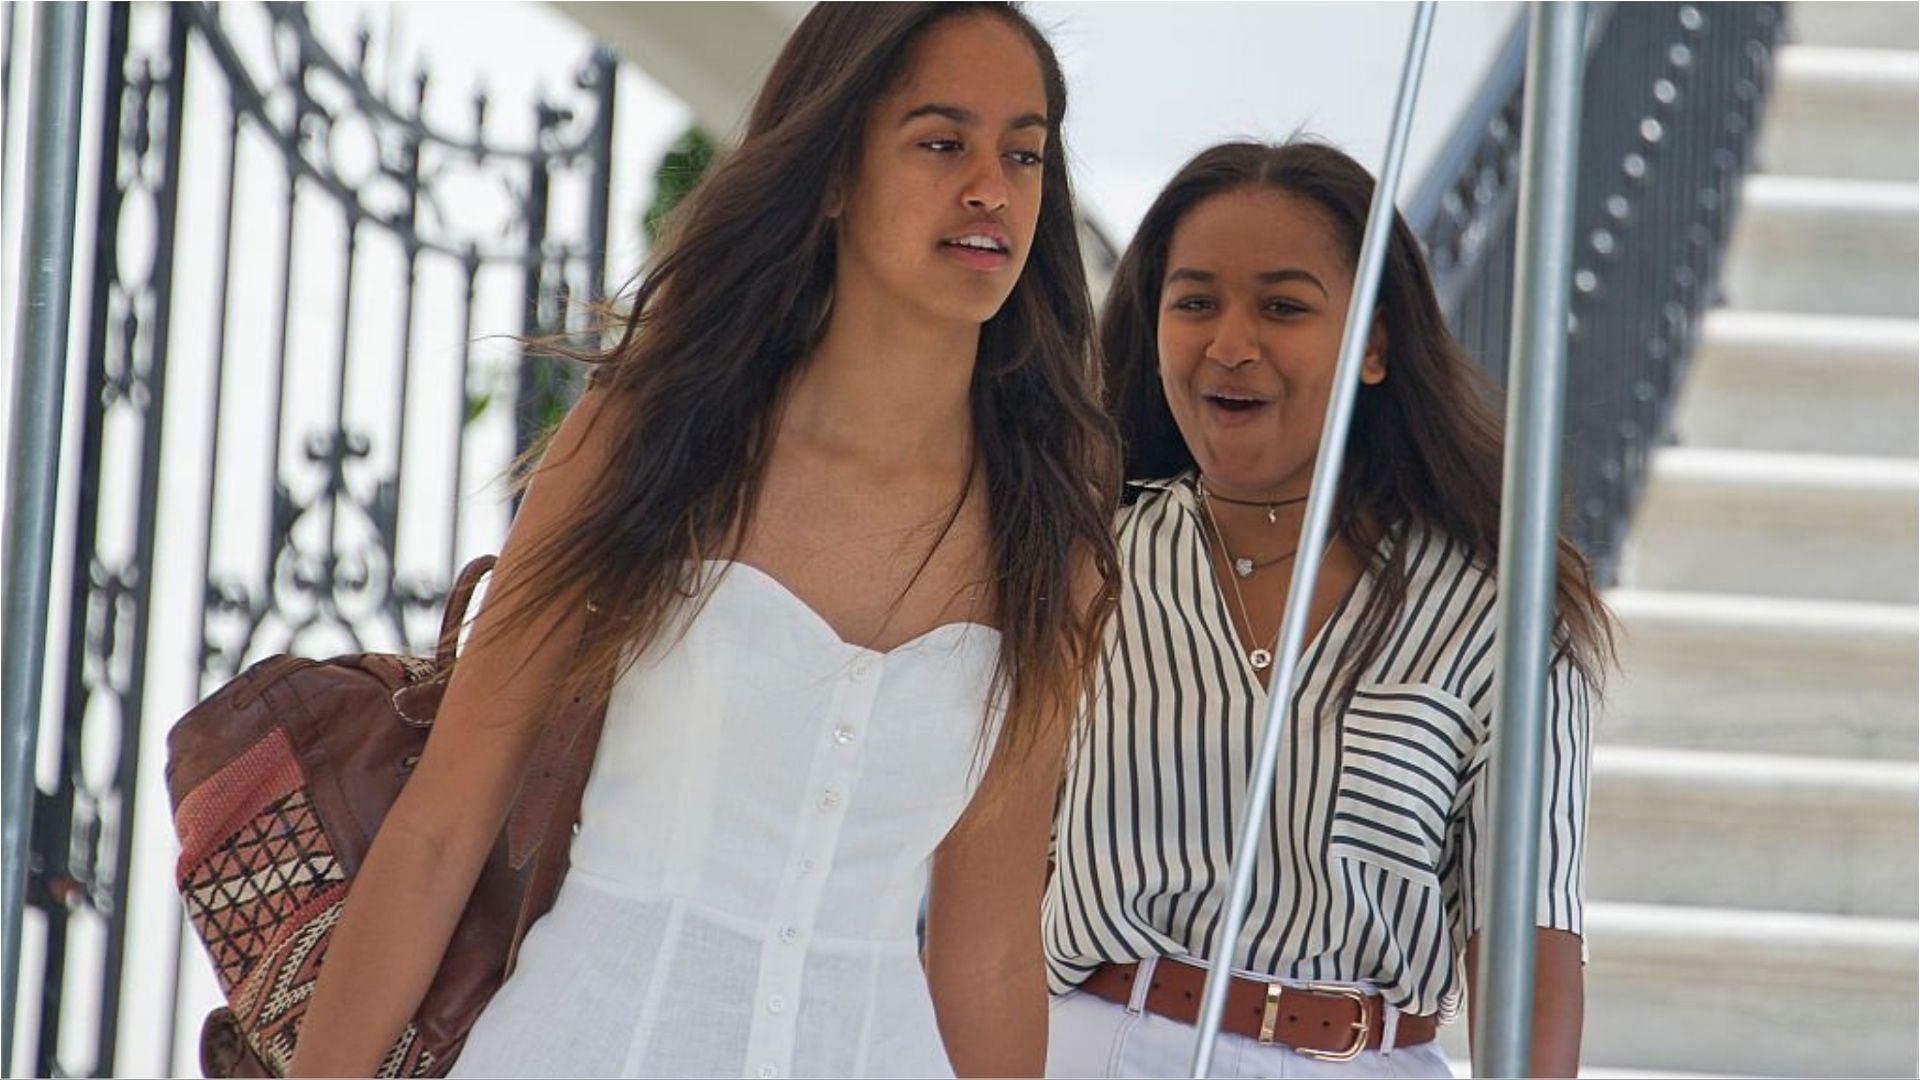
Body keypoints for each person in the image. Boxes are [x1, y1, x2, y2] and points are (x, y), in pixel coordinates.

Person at [288, 4, 1121, 1077]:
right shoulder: (652, 437)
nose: (991, 188)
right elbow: (442, 830)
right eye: (940, 141)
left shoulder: (1051, 528)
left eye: (1024, 152)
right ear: (832, 174)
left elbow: (992, 946)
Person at [1041, 140, 1612, 1079]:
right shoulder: (1077, 563)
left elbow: (1532, 947)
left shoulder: (1503, 620)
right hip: (1090, 1046)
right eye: (1194, 303)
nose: (1230, 344)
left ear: (1377, 346)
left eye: (1283, 306)